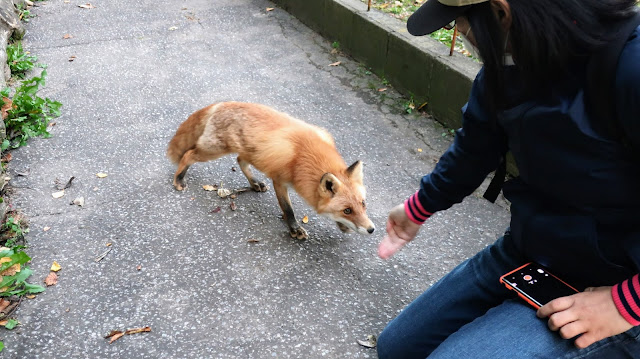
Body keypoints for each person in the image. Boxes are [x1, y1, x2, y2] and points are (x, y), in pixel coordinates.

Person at [376, 0, 640, 358]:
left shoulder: (629, 68)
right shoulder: (508, 66)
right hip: (533, 248)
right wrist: (417, 209)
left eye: (461, 22)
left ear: (502, 12)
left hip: (618, 281)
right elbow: (474, 148)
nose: (460, 34)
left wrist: (624, 305)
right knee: (397, 348)